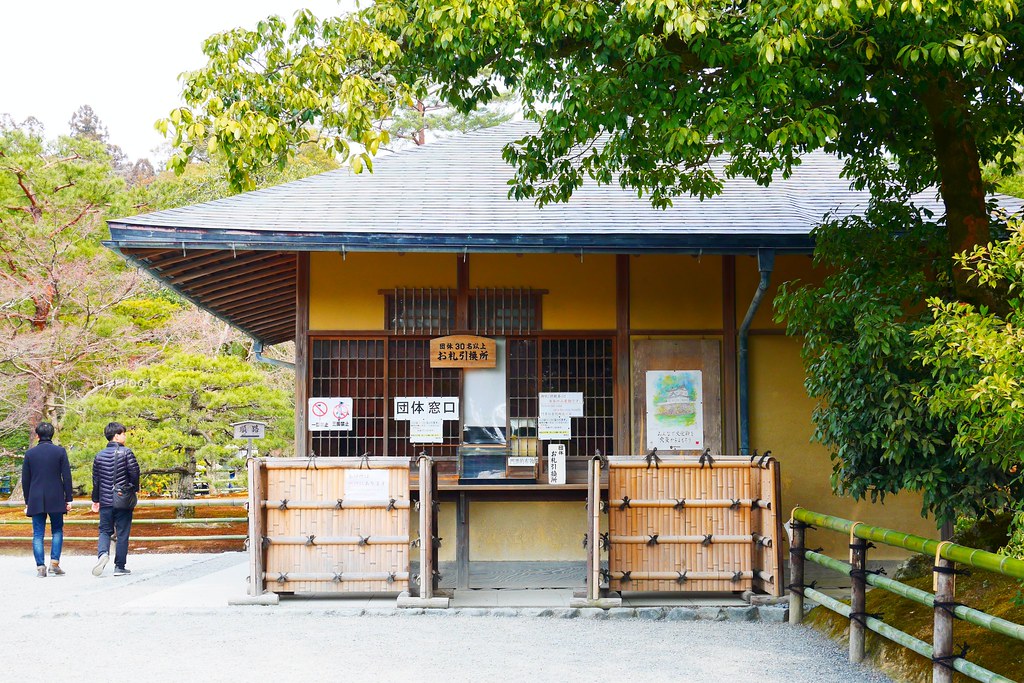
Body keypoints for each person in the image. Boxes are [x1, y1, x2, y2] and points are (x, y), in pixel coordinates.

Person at [22, 422, 74, 578]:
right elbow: (67, 476)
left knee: (38, 533)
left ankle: (40, 567)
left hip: (36, 497)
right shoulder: (59, 452)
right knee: (57, 530)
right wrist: (69, 499)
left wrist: (27, 501)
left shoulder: (30, 454)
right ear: (52, 435)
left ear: (37, 435)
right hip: (56, 496)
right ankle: (54, 563)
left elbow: (26, 480)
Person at [90, 422, 140, 577]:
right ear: (116, 435)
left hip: (105, 500)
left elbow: (96, 481)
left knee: (104, 530)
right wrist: (132, 488)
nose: (125, 436)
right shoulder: (127, 453)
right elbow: (135, 474)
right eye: (123, 433)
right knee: (122, 532)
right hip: (122, 500)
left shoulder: (99, 455)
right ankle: (119, 566)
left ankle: (103, 554)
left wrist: (95, 499)